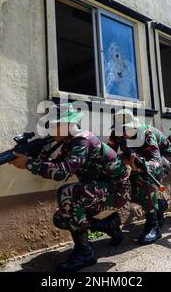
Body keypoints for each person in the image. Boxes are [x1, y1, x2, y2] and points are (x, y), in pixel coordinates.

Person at [10, 104, 131, 272]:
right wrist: (34, 158)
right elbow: (56, 164)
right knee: (61, 218)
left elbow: (61, 173)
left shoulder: (82, 141)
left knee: (67, 193)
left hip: (117, 191)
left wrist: (28, 164)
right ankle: (107, 226)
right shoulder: (70, 143)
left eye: (53, 125)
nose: (51, 131)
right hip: (101, 190)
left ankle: (85, 253)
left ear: (67, 125)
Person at [108, 109, 171, 244]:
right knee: (124, 183)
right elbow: (109, 155)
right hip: (138, 159)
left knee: (143, 178)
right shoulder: (116, 134)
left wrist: (136, 166)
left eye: (126, 129)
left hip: (164, 157)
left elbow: (155, 162)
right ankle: (158, 204)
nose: (122, 133)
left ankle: (153, 226)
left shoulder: (146, 133)